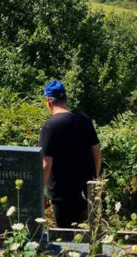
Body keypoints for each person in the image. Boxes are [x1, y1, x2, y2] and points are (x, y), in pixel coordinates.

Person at [39, 80, 102, 228]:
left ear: (48, 101)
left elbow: (46, 164)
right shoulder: (84, 119)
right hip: (85, 190)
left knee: (67, 236)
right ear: (65, 99)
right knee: (86, 233)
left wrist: (40, 192)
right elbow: (97, 153)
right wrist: (95, 179)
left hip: (62, 194)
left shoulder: (50, 126)